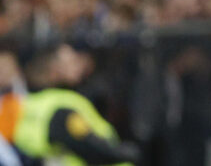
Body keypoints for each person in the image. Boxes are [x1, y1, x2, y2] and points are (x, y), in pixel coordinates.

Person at [8, 43, 140, 166]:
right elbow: (91, 149)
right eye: (71, 62)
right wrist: (127, 154)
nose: (77, 65)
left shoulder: (33, 101)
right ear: (54, 69)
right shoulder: (62, 105)